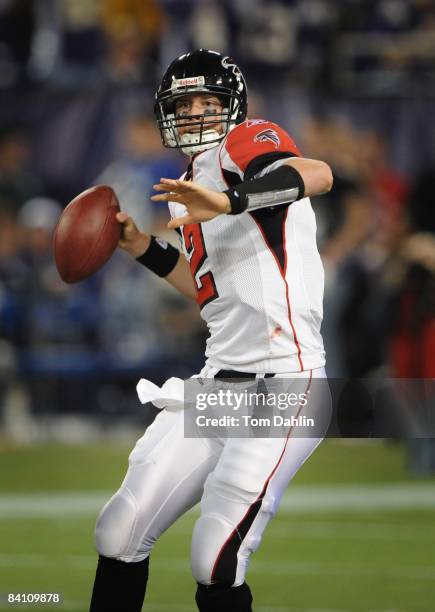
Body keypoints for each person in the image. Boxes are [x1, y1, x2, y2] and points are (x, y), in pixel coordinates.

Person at [89, 48, 333, 612]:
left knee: (214, 560)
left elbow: (316, 174)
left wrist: (227, 200)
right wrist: (141, 247)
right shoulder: (188, 181)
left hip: (284, 386)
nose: (198, 112)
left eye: (208, 101)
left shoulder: (247, 143)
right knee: (118, 531)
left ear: (233, 106)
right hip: (217, 385)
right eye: (186, 103)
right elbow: (209, 296)